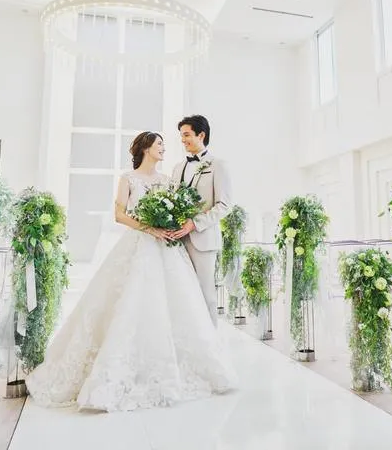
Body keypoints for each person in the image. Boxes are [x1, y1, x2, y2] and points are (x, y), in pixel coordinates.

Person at [26, 131, 236, 412]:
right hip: (140, 243)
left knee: (174, 303)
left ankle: (180, 365)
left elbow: (180, 210)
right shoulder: (128, 178)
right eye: (160, 144)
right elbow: (120, 214)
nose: (164, 148)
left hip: (168, 247)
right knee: (129, 300)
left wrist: (169, 225)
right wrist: (151, 228)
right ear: (146, 148)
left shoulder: (168, 180)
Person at [171, 115, 232, 326]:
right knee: (182, 293)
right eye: (181, 136)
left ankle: (210, 340)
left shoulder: (218, 166)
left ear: (201, 135)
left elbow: (224, 205)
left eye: (187, 135)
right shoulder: (177, 167)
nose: (183, 140)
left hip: (203, 240)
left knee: (206, 295)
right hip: (177, 241)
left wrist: (194, 223)